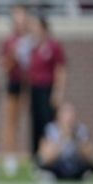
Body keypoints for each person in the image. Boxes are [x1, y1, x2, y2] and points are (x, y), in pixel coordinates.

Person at [0, 5, 34, 177]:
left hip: (29, 84)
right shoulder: (10, 41)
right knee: (11, 122)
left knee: (30, 121)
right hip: (14, 83)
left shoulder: (33, 39)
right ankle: (10, 157)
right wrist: (14, 55)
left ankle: (32, 156)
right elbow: (4, 66)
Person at [27, 14, 67, 161]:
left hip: (47, 88)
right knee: (35, 121)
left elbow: (60, 70)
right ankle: (36, 154)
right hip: (35, 88)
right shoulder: (33, 46)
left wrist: (58, 91)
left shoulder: (53, 46)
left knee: (47, 122)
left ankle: (50, 153)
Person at [36, 102, 93, 181]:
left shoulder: (81, 130)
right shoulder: (51, 129)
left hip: (75, 164)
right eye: (65, 114)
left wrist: (75, 138)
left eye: (71, 114)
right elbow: (46, 157)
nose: (69, 118)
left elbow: (89, 155)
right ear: (58, 116)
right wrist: (62, 138)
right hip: (58, 165)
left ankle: (83, 176)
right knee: (40, 162)